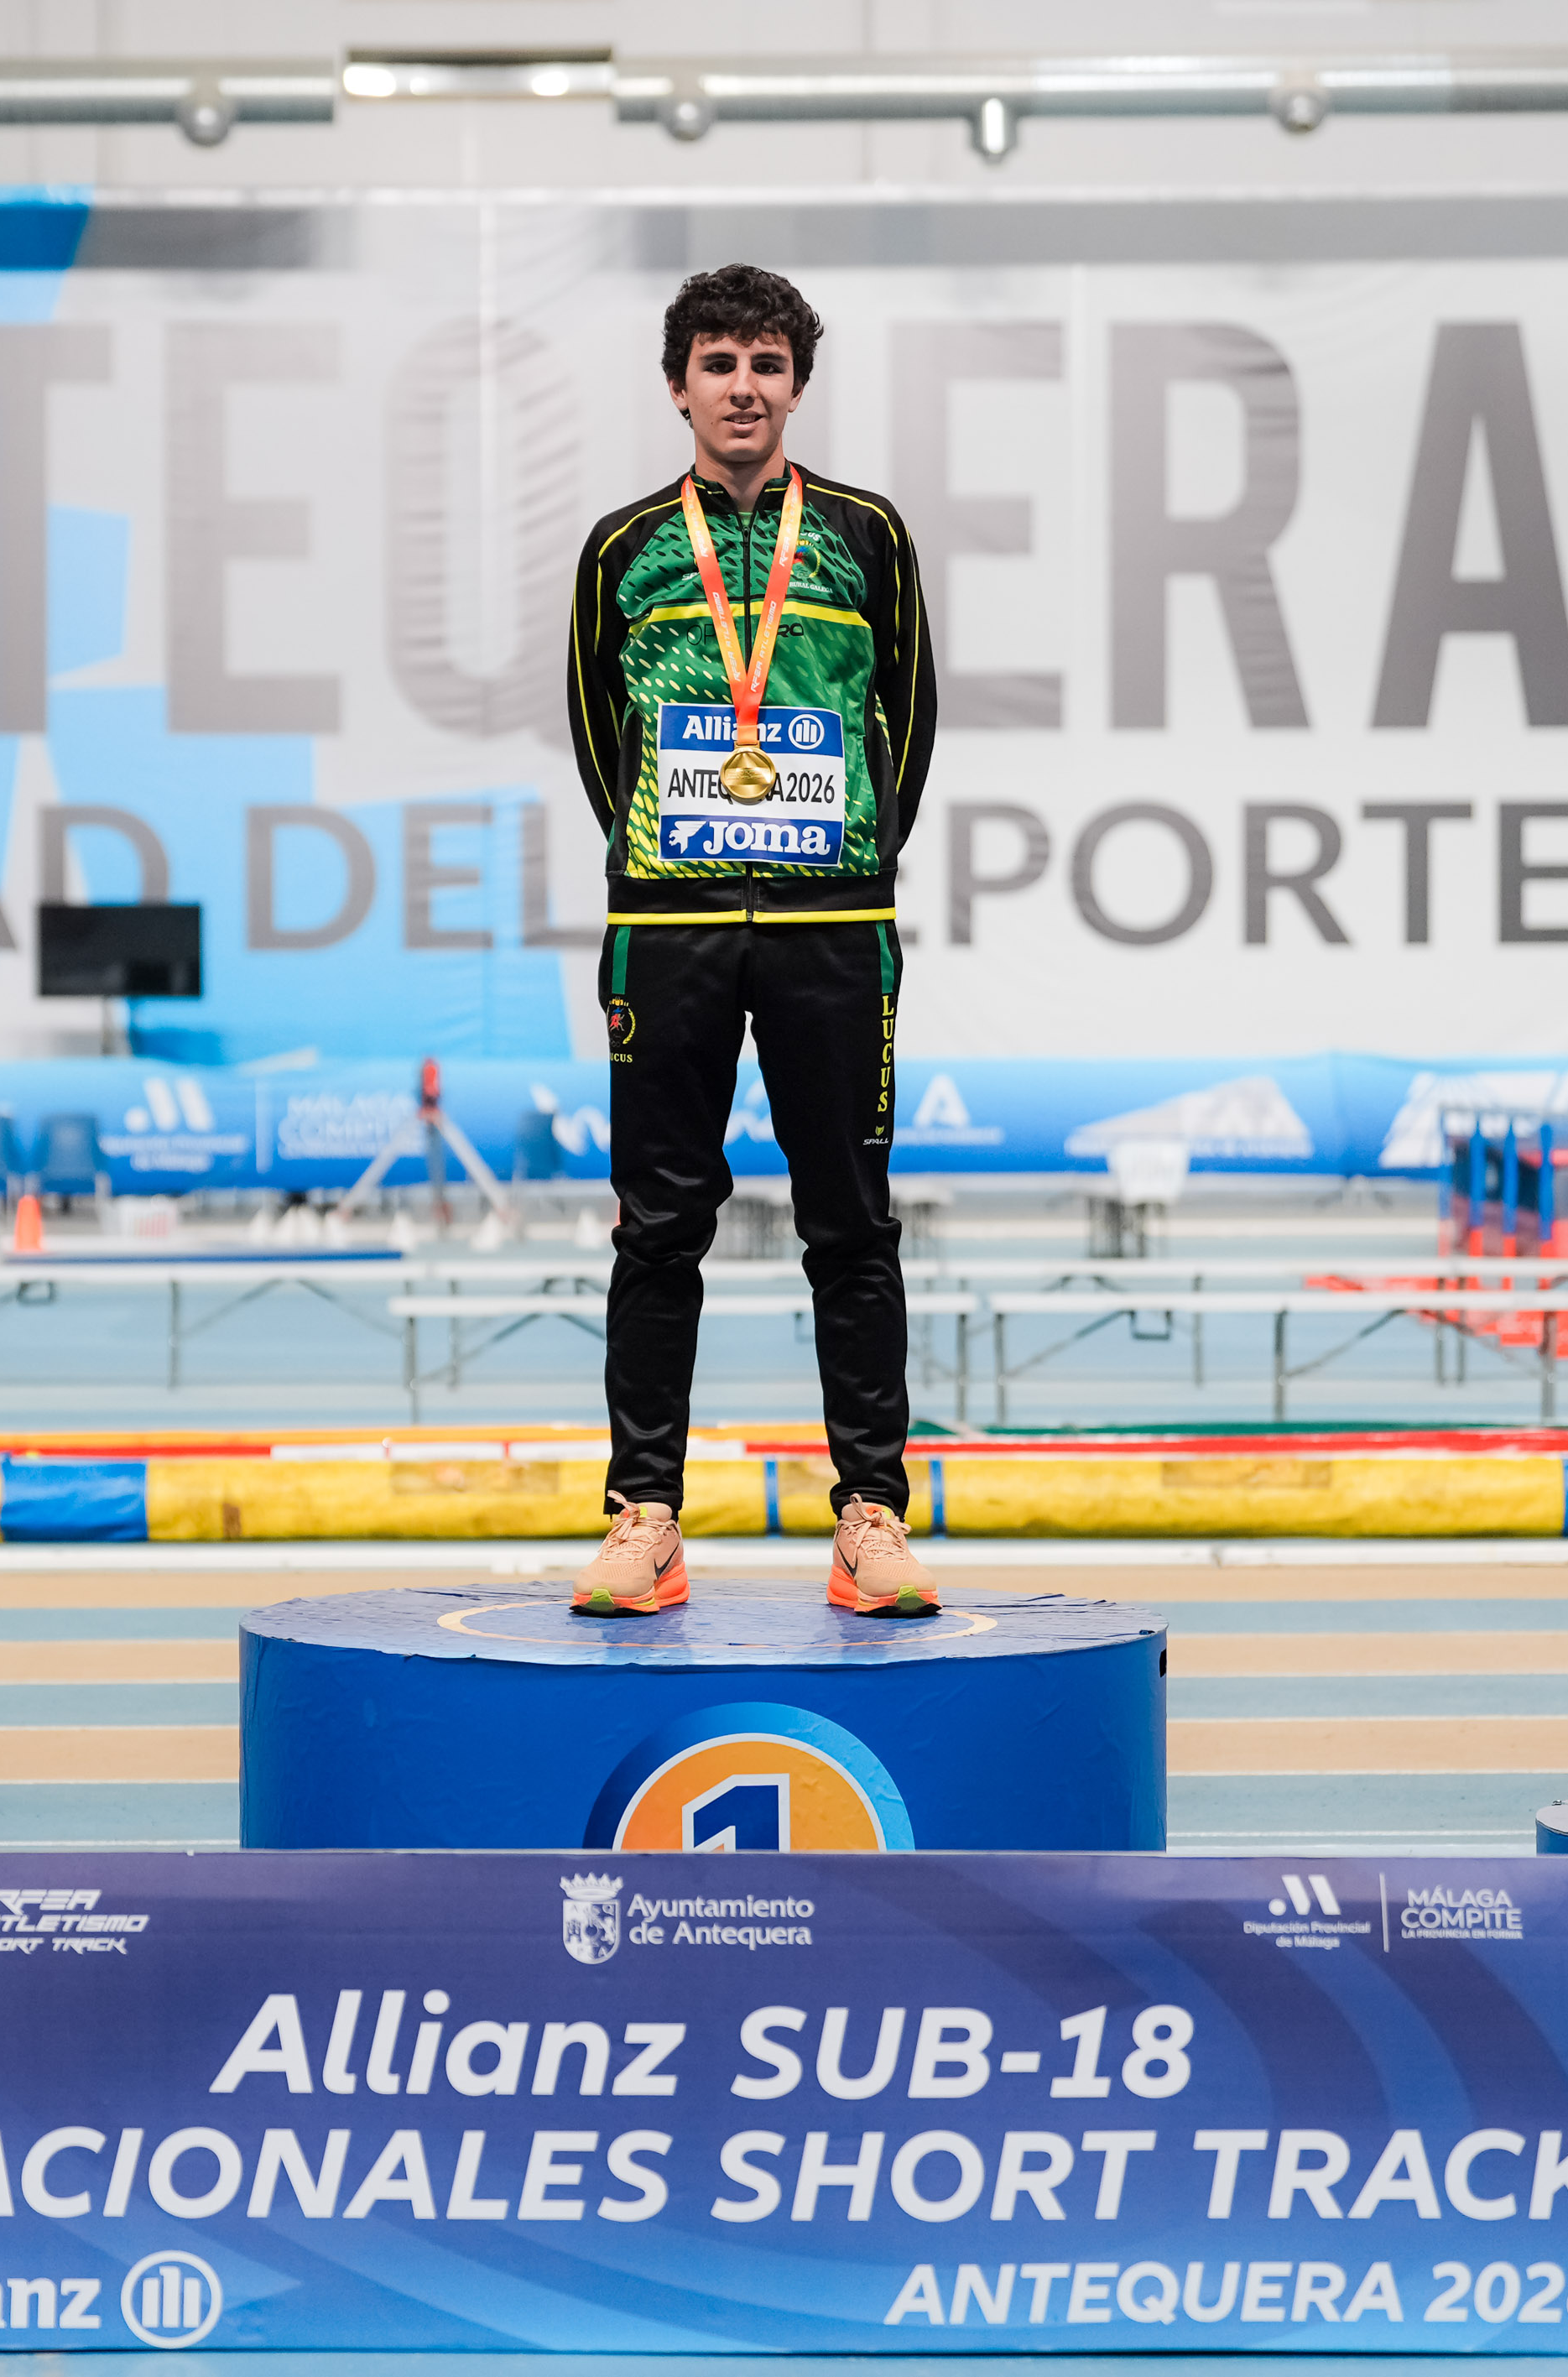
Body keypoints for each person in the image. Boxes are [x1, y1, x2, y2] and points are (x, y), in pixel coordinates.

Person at [562, 264, 941, 1620]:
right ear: (678, 386)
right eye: (717, 362)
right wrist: (670, 856)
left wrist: (847, 860)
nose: (741, 386)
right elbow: (597, 733)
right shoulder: (621, 546)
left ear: (796, 384)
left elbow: (910, 714)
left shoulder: (864, 533)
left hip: (832, 921)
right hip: (664, 923)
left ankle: (871, 1515)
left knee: (852, 1222)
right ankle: (644, 1517)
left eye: (766, 363)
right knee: (658, 1225)